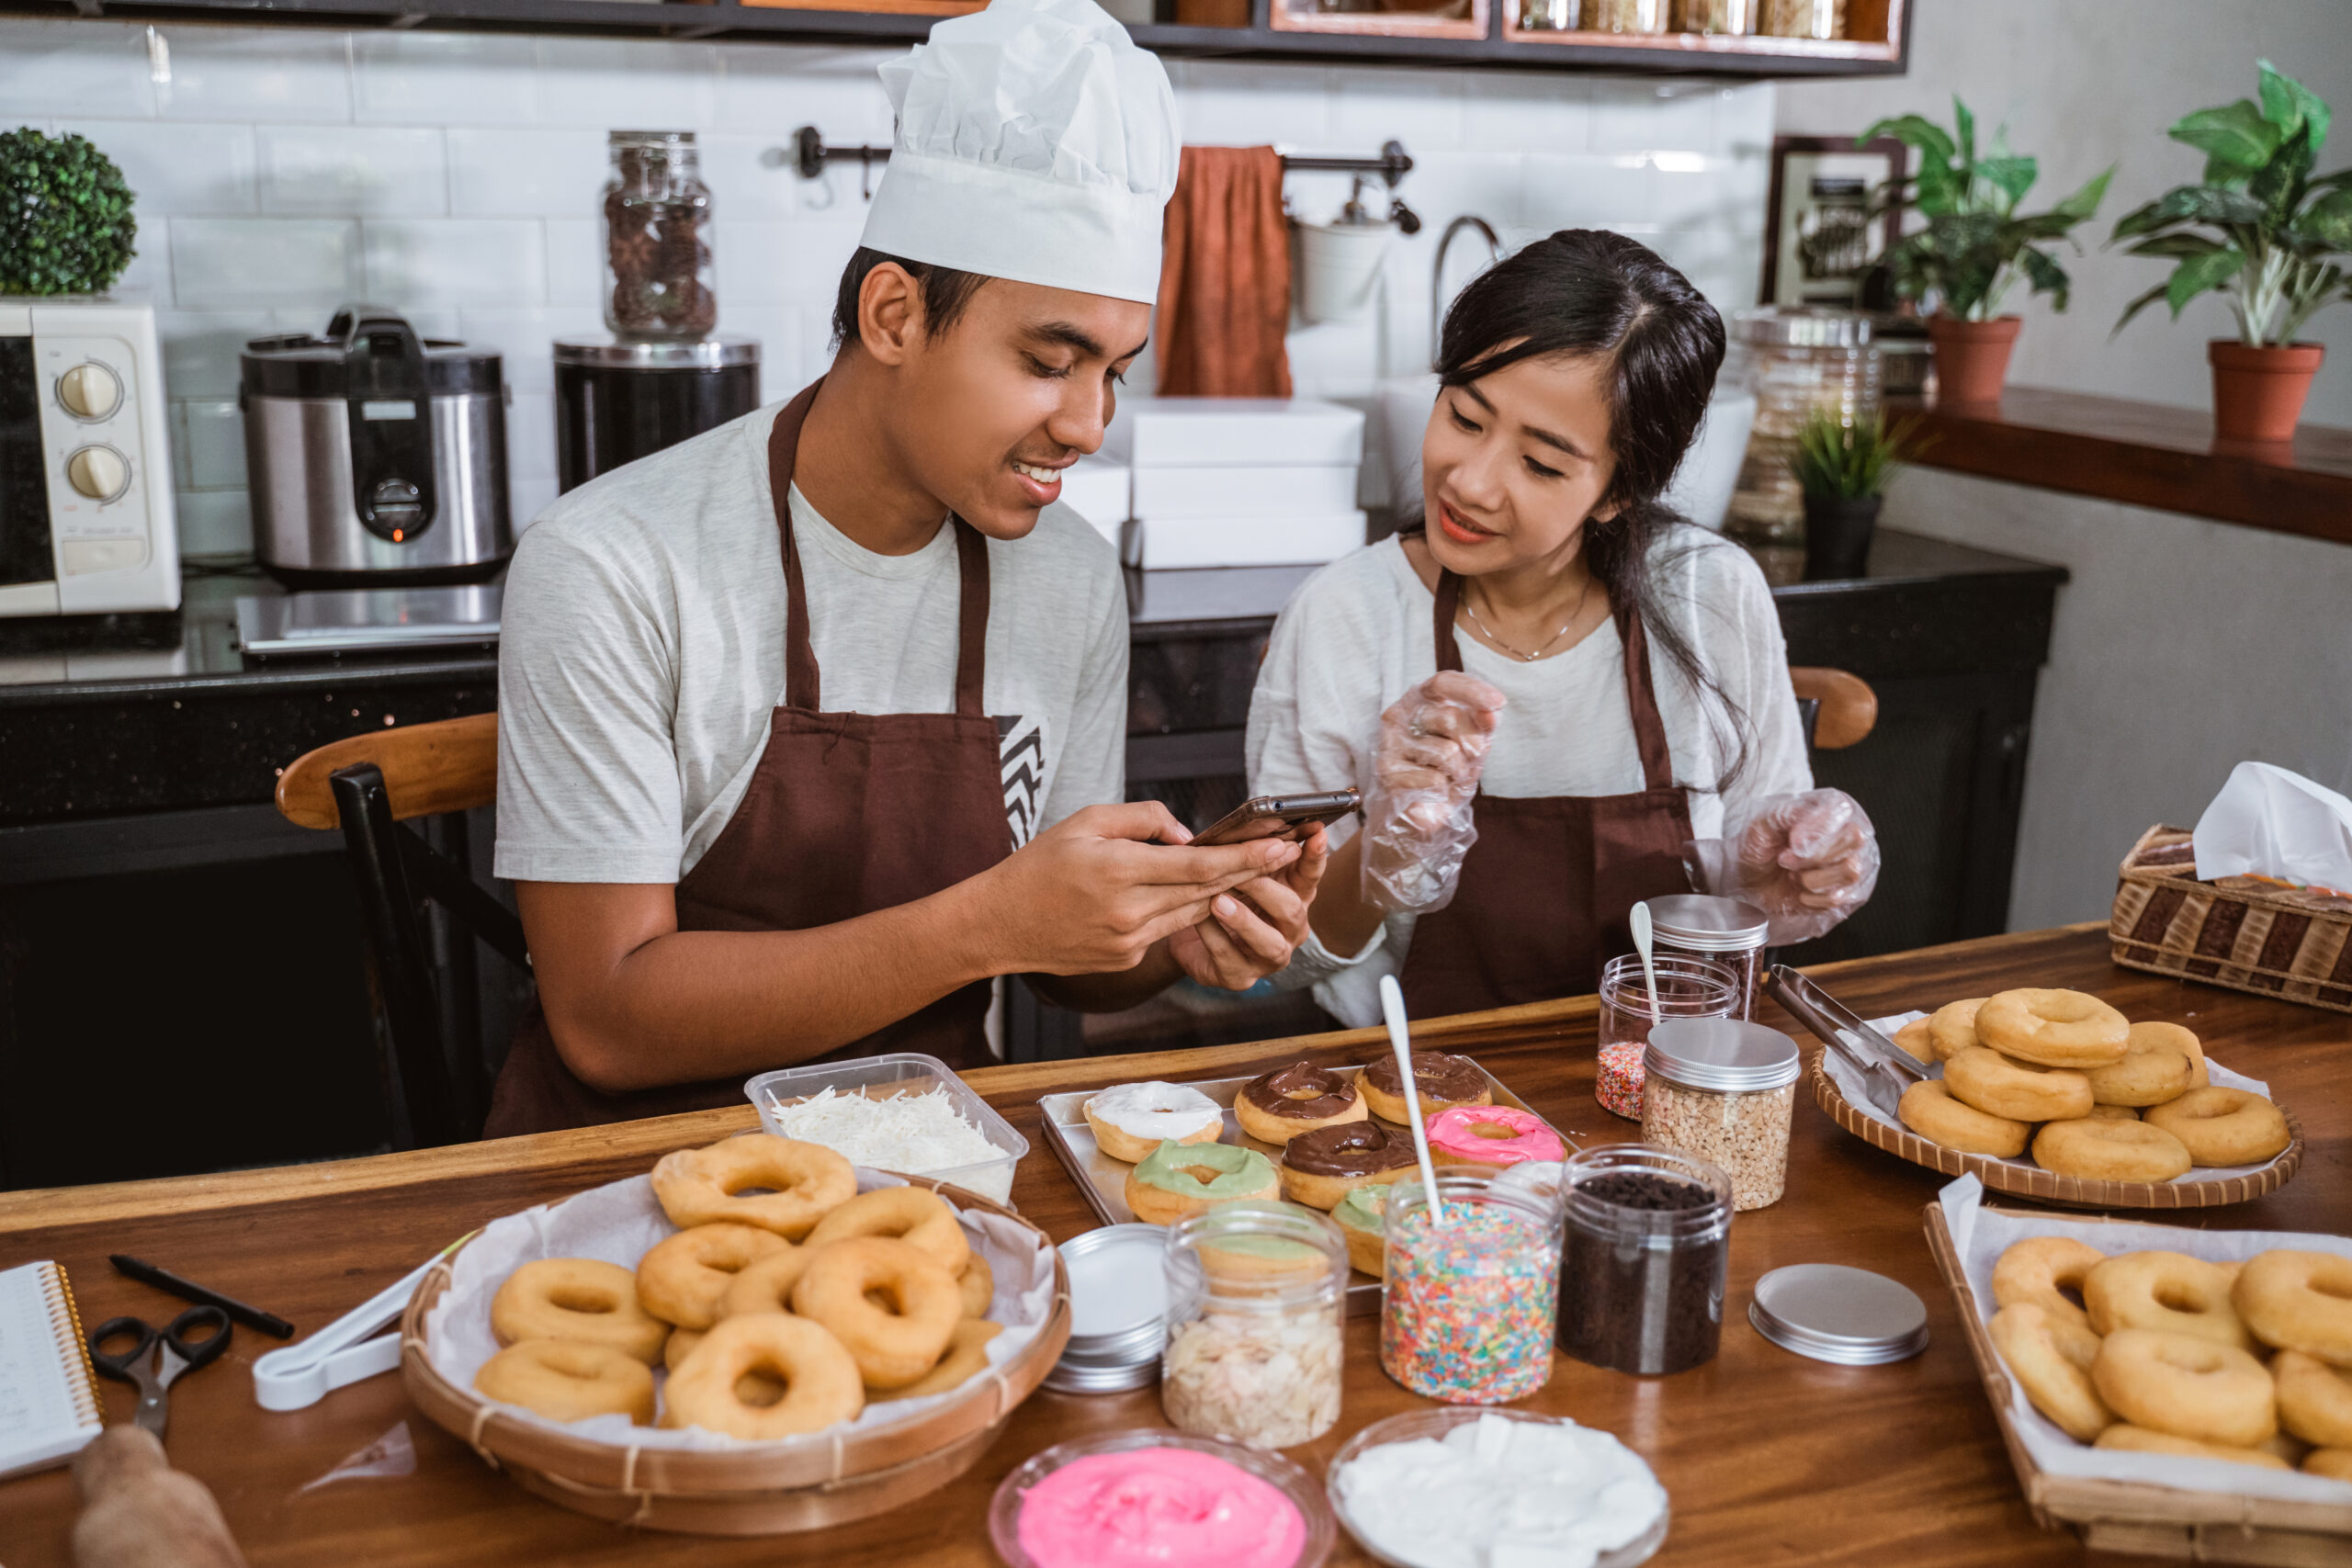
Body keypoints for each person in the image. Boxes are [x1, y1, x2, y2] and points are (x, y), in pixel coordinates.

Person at [484, 0, 1328, 1134]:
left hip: (940, 1172)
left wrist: (1175, 927)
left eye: (1115, 371)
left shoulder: (1066, 578)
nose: (1088, 424)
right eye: (1048, 360)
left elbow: (1060, 962)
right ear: (893, 315)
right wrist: (984, 924)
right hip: (634, 1178)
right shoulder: (614, 563)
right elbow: (609, 1018)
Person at [1246, 230, 1876, 1028]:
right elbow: (1281, 954)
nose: (1471, 481)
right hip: (1415, 1099)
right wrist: (1383, 850)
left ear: (1620, 490)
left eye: (1542, 465)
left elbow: (1760, 909)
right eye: (1466, 416)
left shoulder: (1710, 594)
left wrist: (1792, 881)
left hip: (1667, 1087)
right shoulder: (1345, 613)